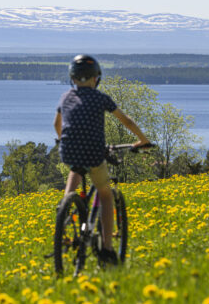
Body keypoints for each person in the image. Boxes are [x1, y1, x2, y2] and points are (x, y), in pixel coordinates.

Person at [54, 54, 151, 265]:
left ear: (72, 78)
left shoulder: (65, 98)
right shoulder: (100, 98)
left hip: (68, 151)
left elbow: (56, 124)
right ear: (96, 78)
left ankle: (65, 206)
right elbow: (127, 121)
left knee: (75, 168)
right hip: (93, 152)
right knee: (106, 195)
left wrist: (63, 140)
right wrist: (142, 140)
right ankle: (107, 249)